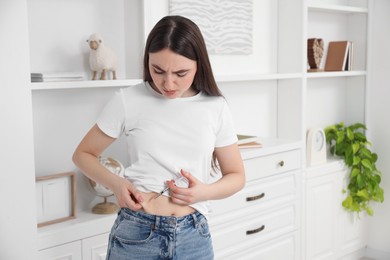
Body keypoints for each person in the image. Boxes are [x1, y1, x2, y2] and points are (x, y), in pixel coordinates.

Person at [73, 15, 245, 260]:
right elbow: (82, 155)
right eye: (158, 70)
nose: (168, 83)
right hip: (136, 232)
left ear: (199, 65)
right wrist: (117, 185)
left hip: (193, 236)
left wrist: (202, 193)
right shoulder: (128, 99)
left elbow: (236, 176)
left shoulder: (215, 107)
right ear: (148, 62)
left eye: (181, 73)